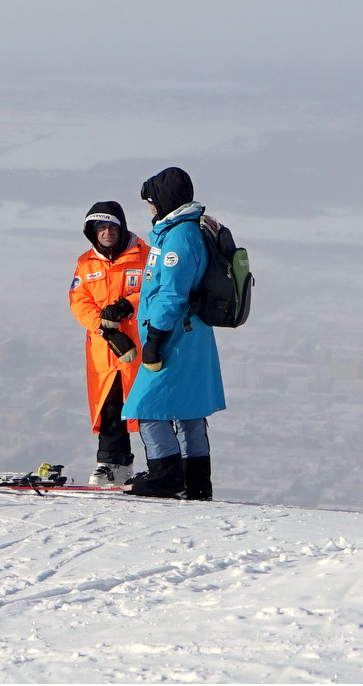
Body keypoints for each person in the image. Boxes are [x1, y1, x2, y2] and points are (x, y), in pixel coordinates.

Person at [121, 166, 225, 500]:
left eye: (151, 201)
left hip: (175, 336)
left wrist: (155, 340)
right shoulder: (185, 230)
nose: (150, 208)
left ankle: (166, 476)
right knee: (190, 409)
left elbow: (170, 294)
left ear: (164, 201)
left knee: (148, 406)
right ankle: (197, 481)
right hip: (192, 333)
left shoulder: (178, 237)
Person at [68, 201, 150, 486]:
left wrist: (127, 305)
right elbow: (80, 302)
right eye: (100, 227)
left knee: (147, 407)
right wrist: (104, 328)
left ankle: (161, 465)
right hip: (105, 350)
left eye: (111, 226)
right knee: (110, 407)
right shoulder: (85, 262)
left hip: (139, 348)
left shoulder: (145, 256)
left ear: (122, 227)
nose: (106, 232)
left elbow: (154, 291)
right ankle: (111, 464)